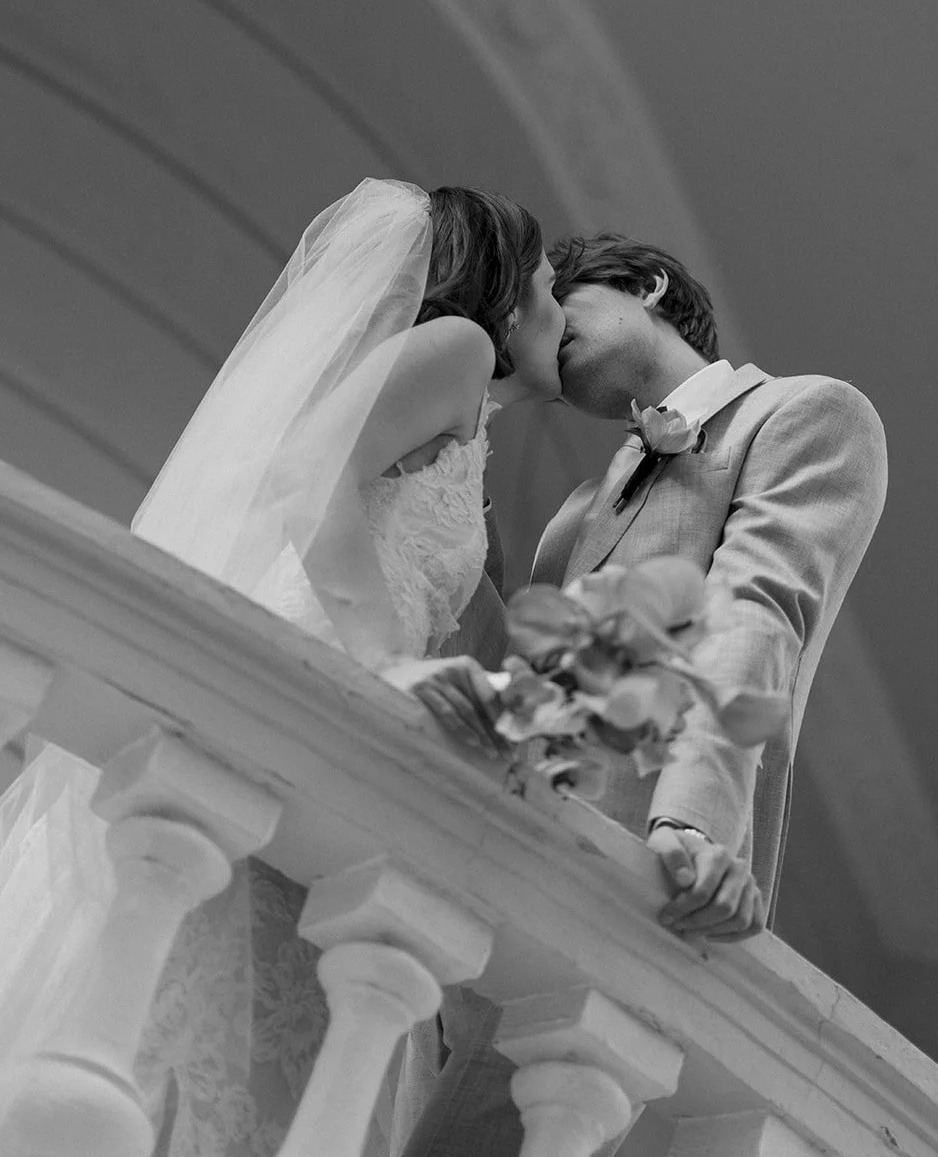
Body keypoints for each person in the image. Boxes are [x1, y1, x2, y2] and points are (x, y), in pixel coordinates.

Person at [0, 178, 563, 1157]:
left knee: (236, 1005)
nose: (562, 311)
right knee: (208, 989)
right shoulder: (457, 348)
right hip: (318, 678)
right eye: (550, 286)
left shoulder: (462, 407)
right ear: (506, 299)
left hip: (334, 711)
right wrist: (383, 664)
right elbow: (308, 473)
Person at [395, 230, 888, 1157]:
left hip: (635, 875)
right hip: (499, 869)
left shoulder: (803, 412)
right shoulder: (576, 511)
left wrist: (693, 824)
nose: (541, 326)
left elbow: (755, 617)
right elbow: (520, 680)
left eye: (563, 298)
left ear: (647, 287)